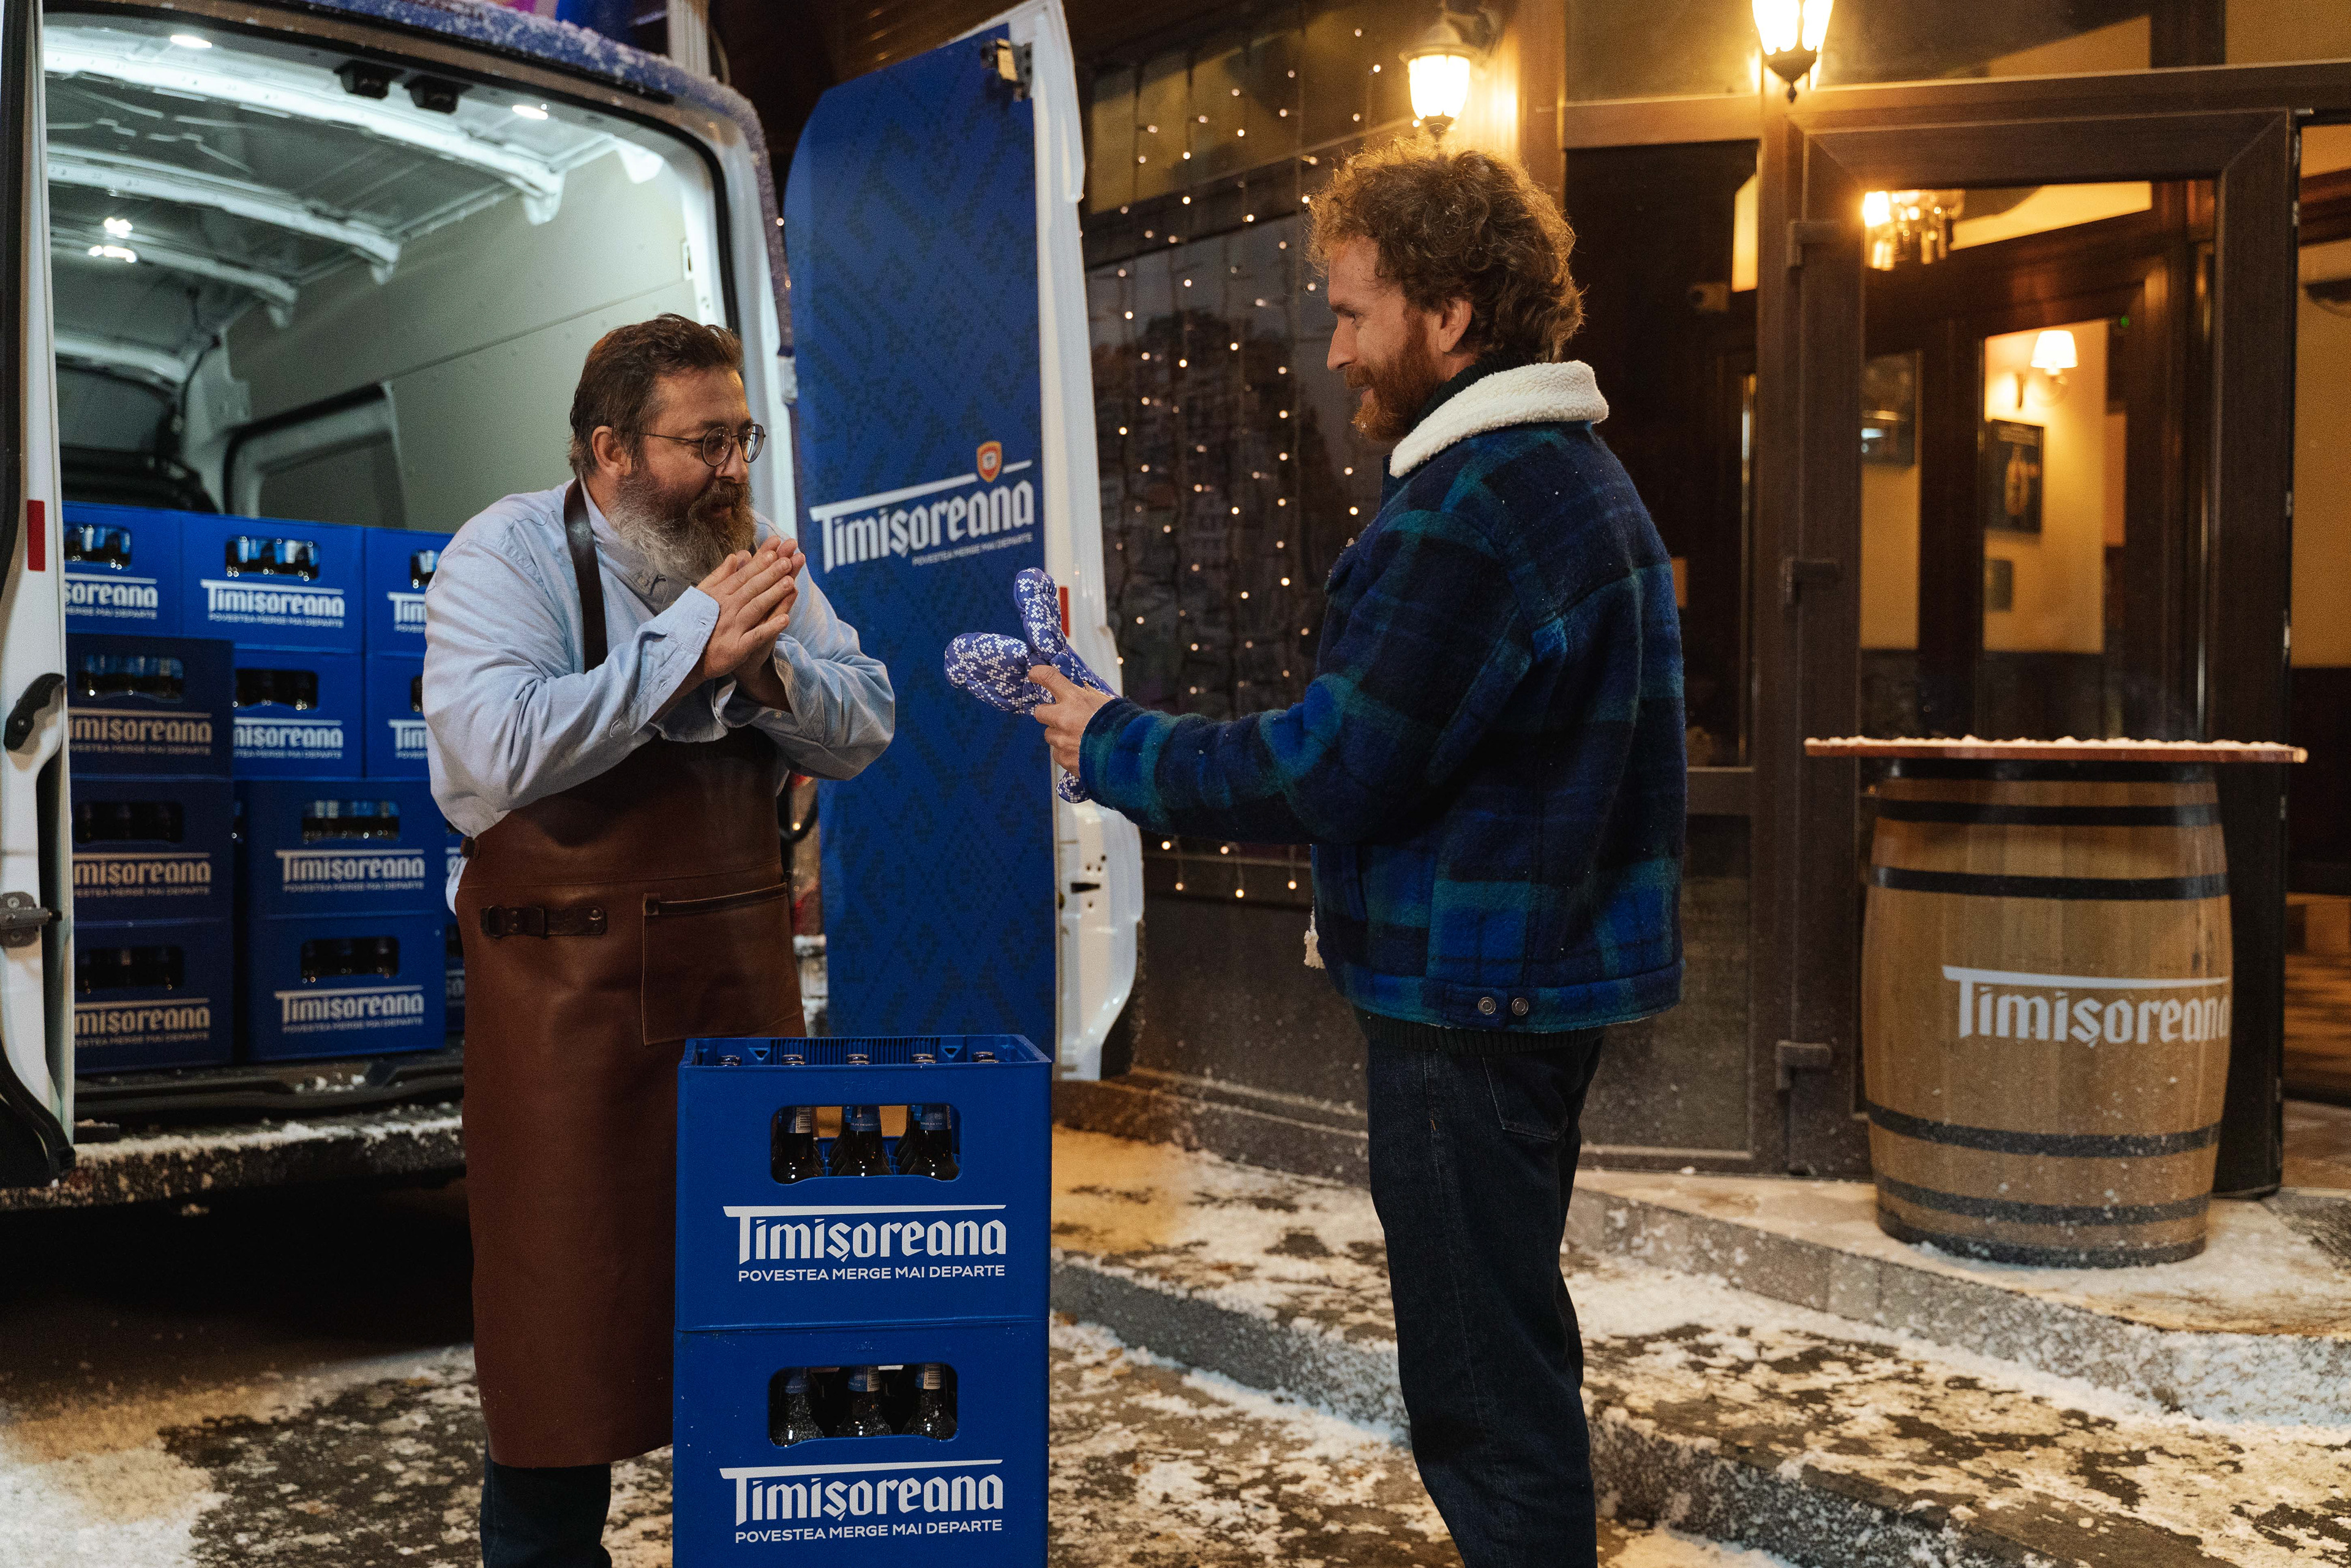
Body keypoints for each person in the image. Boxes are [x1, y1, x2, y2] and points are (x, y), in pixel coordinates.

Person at [1028, 141, 1684, 1568]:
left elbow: (1333, 767)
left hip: (1470, 1001)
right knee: (1507, 1337)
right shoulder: (1572, 479)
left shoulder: (1474, 509)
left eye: (1350, 312)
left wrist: (1112, 744)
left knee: (1480, 1384)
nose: (1333, 352)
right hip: (1523, 987)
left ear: (1451, 313)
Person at [422, 313, 893, 1567]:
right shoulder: (504, 556)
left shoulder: (750, 559)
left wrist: (768, 674)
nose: (734, 469)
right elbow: (500, 745)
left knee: (763, 1362)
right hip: (566, 1036)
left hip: (740, 1026)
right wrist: (692, 647)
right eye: (703, 443)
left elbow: (868, 720)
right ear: (610, 450)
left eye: (743, 438)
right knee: (558, 1368)